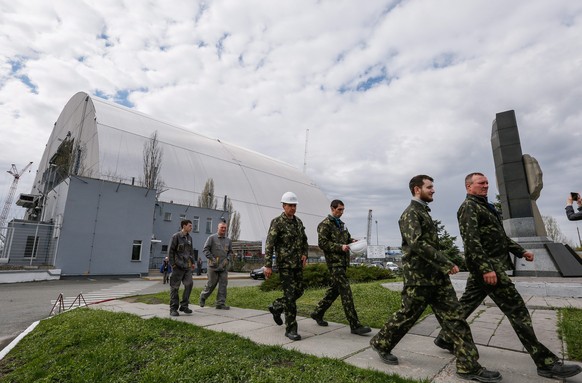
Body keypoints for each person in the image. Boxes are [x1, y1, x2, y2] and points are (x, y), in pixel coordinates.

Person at [434, 172, 582, 380]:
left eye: (487, 182)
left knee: (465, 305)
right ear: (469, 187)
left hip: (487, 269)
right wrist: (486, 269)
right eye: (480, 183)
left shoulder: (485, 207)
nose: (486, 186)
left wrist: (520, 251)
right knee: (518, 312)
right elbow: (471, 242)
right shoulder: (469, 208)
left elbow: (500, 238)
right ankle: (545, 363)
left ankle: (445, 338)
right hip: (489, 269)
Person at [370, 175, 501, 382]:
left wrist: (442, 267)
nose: (433, 190)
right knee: (407, 316)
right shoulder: (410, 213)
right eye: (429, 187)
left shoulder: (423, 211)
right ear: (416, 189)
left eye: (433, 187)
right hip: (419, 279)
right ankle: (381, 343)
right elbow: (417, 244)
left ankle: (468, 366)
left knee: (456, 320)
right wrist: (446, 263)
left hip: (437, 279)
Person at [310, 200, 371, 335]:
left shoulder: (342, 225)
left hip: (343, 263)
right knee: (346, 292)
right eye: (339, 209)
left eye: (343, 210)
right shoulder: (324, 225)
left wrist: (352, 241)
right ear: (332, 208)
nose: (341, 212)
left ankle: (317, 313)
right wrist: (340, 247)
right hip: (334, 264)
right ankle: (355, 325)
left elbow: (346, 238)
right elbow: (323, 244)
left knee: (335, 290)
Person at [264, 191, 308, 341]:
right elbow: (269, 244)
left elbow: (304, 241)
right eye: (290, 205)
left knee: (299, 291)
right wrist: (268, 265)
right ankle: (291, 329)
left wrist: (305, 254)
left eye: (294, 205)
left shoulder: (298, 222)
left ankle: (276, 306)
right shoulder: (277, 222)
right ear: (283, 206)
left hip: (297, 265)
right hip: (285, 265)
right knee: (290, 297)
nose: (293, 208)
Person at [199, 221, 233, 310]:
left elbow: (230, 252)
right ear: (217, 228)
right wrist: (212, 259)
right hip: (213, 266)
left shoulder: (228, 240)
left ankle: (220, 303)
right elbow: (205, 250)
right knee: (211, 284)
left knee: (223, 285)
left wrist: (228, 259)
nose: (223, 229)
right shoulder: (212, 238)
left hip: (223, 266)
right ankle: (203, 296)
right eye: (222, 227)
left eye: (225, 228)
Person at [168, 219, 197, 317]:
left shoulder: (190, 238)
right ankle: (173, 308)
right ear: (184, 226)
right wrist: (172, 264)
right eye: (189, 225)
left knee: (189, 284)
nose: (191, 227)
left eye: (191, 226)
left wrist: (193, 262)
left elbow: (191, 251)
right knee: (175, 287)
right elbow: (170, 251)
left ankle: (184, 305)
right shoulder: (176, 236)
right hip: (177, 266)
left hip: (187, 267)